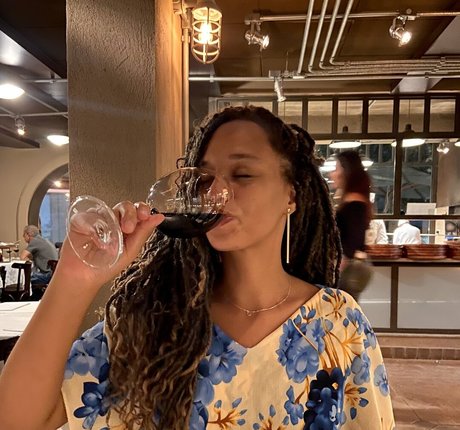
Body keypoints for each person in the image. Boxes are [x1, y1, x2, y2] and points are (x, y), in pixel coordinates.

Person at [0, 106, 394, 430]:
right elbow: (16, 418)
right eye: (205, 179)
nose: (217, 191)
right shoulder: (152, 321)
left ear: (291, 194)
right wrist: (75, 276)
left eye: (242, 174)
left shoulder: (338, 323)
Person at [330, 151, 374, 300]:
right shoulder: (354, 200)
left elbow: (353, 239)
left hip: (348, 270)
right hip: (350, 268)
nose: (332, 174)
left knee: (343, 310)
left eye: (336, 168)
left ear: (346, 172)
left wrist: (340, 264)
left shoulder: (354, 203)